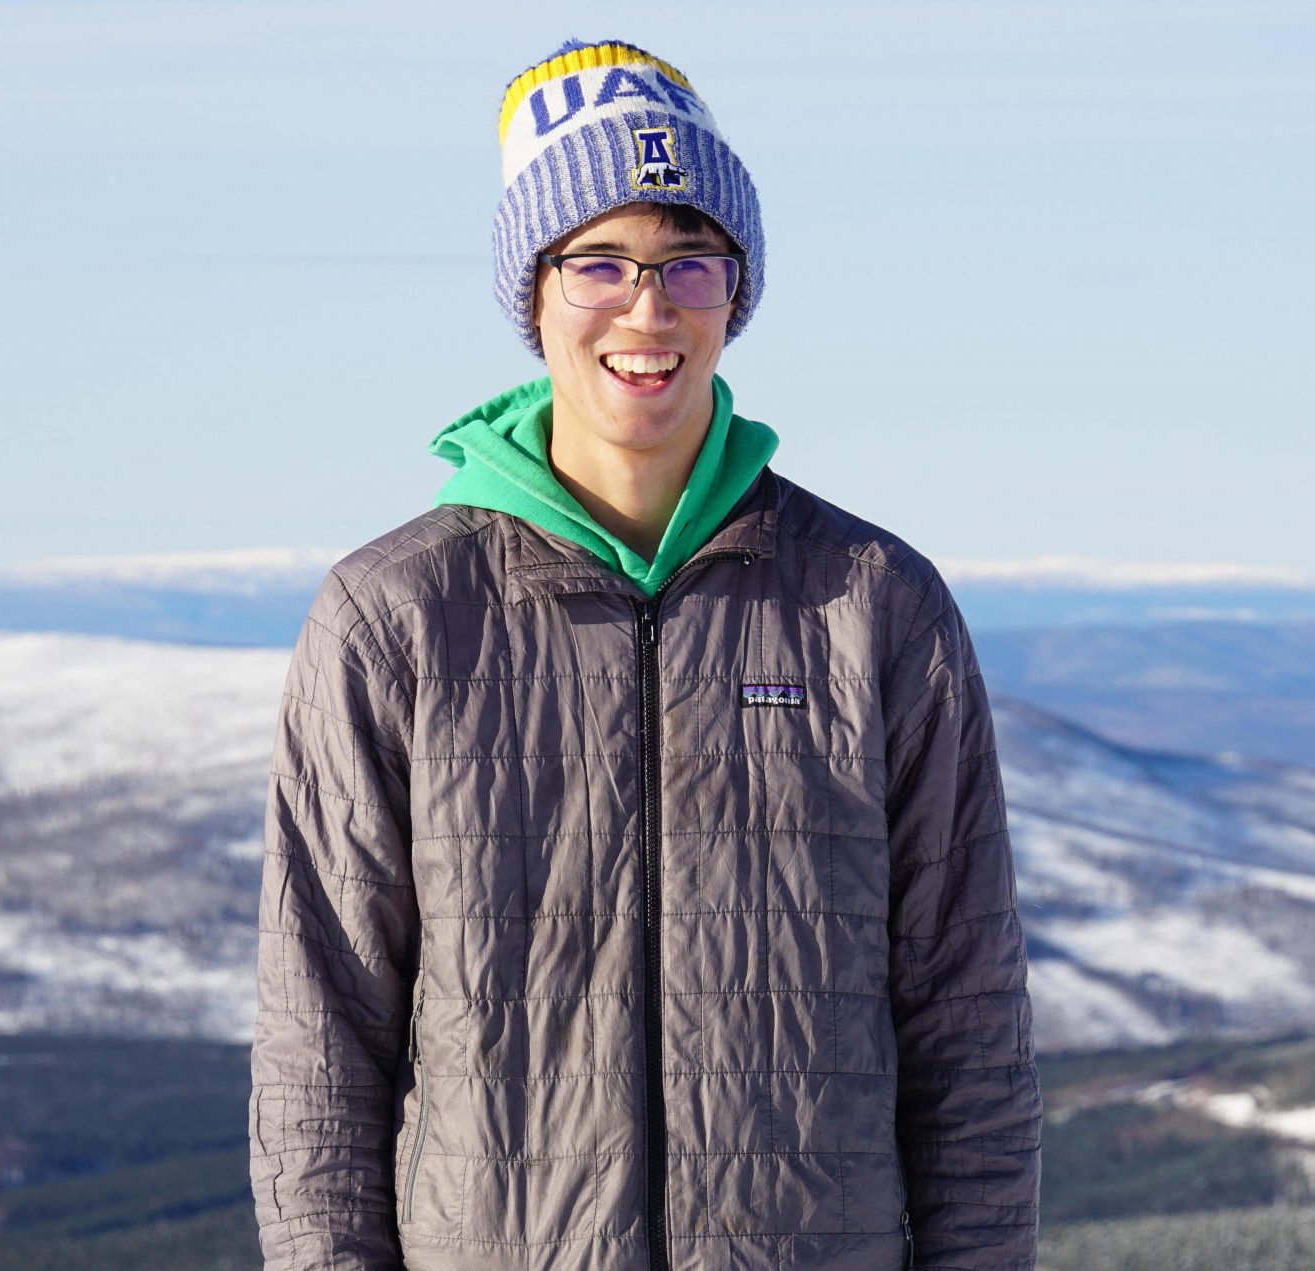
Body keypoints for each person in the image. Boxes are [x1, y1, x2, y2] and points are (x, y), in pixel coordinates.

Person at [249, 38, 1042, 1271]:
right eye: (600, 263)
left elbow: (968, 1023)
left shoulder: (873, 604)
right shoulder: (395, 616)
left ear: (738, 290)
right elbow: (320, 1036)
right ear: (536, 289)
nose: (649, 309)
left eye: (691, 264)